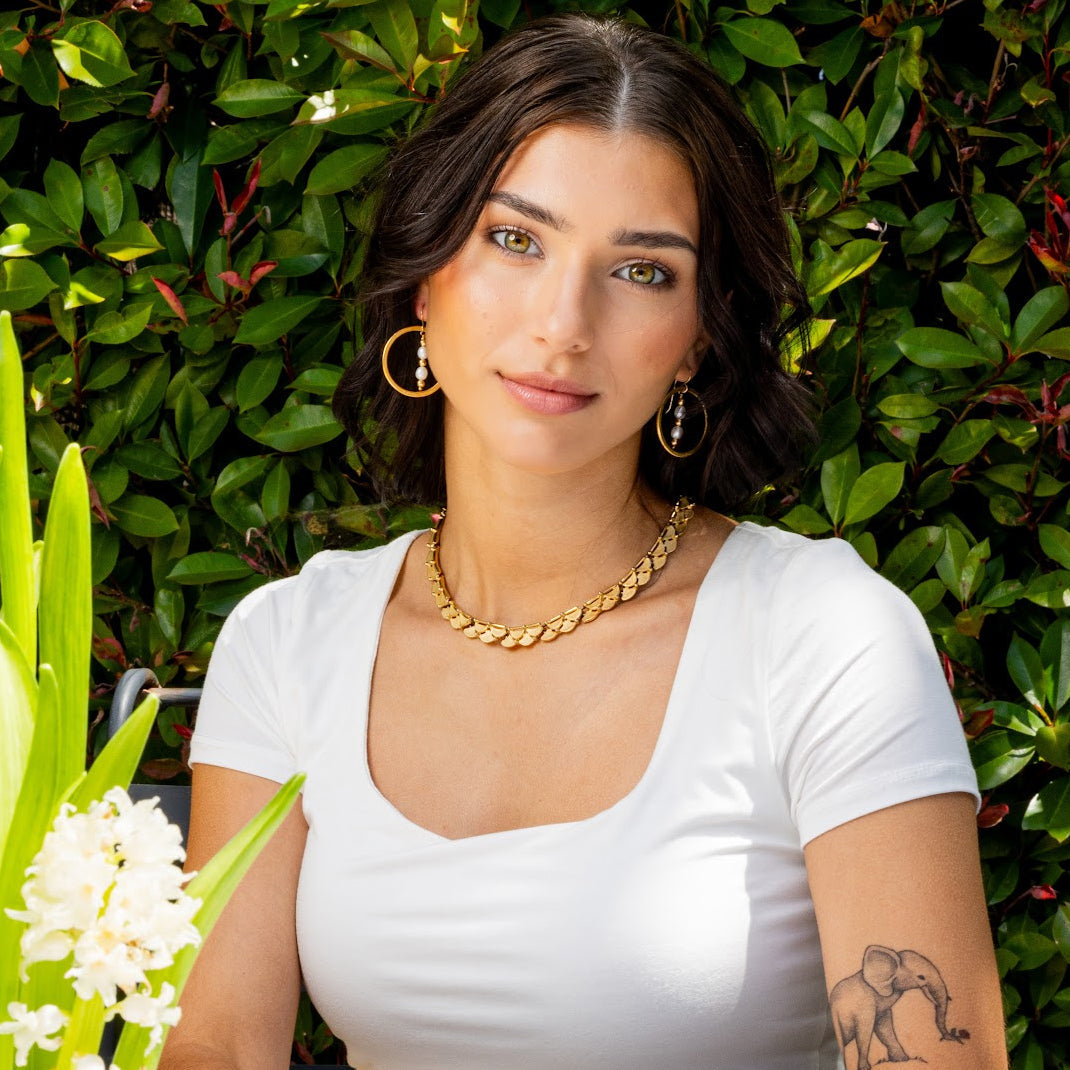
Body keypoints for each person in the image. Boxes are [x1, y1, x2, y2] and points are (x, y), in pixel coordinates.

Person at [165, 14, 1006, 1070]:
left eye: (641, 271)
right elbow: (218, 1045)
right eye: (514, 240)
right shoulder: (288, 641)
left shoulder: (822, 634)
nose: (563, 322)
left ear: (697, 337)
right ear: (427, 275)